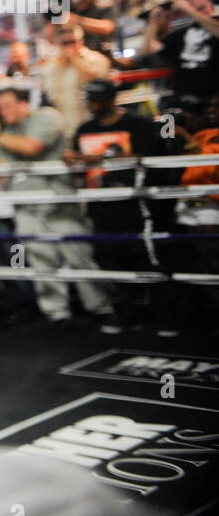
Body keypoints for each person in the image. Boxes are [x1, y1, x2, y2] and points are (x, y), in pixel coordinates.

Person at [0, 87, 118, 332]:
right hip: (27, 206)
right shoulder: (6, 131)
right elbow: (1, 168)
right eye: (0, 108)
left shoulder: (46, 117)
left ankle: (101, 308)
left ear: (24, 103)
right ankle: (56, 313)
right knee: (41, 261)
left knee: (78, 257)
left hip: (59, 203)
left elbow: (32, 147)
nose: (2, 112)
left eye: (7, 106)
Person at [67, 79, 169, 334]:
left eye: (97, 99)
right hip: (101, 205)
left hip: (135, 205)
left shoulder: (137, 124)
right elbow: (78, 163)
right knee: (110, 260)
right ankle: (125, 313)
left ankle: (165, 315)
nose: (92, 104)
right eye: (90, 99)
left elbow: (146, 157)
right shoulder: (85, 128)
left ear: (111, 99)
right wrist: (72, 159)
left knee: (146, 259)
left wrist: (99, 157)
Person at [138, 0, 219, 103]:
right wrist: (153, 22)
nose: (186, 0)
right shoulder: (182, 32)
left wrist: (190, 10)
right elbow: (146, 50)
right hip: (189, 99)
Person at [42, 22, 110, 140]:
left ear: (81, 41)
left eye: (73, 41)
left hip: (92, 127)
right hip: (62, 131)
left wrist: (74, 59)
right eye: (65, 43)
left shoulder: (95, 59)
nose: (69, 46)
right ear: (58, 44)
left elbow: (96, 81)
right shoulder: (50, 67)